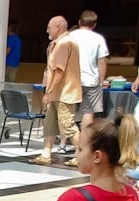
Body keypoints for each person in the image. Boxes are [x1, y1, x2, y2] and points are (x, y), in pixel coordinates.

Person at [50, 113, 139, 201]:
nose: (76, 154)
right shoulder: (131, 195)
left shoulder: (74, 198)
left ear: (97, 156)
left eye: (80, 149)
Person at [32, 16, 82, 166]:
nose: (47, 30)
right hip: (57, 93)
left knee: (67, 126)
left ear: (58, 27)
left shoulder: (64, 44)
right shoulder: (58, 44)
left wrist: (48, 92)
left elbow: (59, 71)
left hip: (64, 93)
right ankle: (46, 153)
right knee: (49, 124)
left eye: (49, 27)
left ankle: (83, 153)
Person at [70, 10, 109, 128]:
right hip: (91, 81)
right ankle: (84, 140)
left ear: (79, 22)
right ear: (94, 25)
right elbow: (102, 61)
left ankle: (64, 140)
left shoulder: (70, 36)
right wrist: (101, 81)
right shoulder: (98, 39)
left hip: (71, 80)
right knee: (88, 113)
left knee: (68, 112)